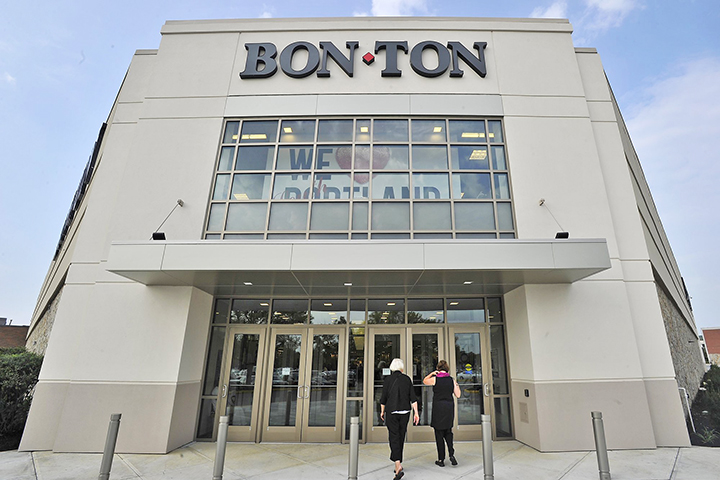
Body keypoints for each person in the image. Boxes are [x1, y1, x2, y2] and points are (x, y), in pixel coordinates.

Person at [380, 358, 419, 480]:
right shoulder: (407, 379)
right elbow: (413, 397)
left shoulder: (388, 380)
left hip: (391, 412)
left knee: (393, 436)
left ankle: (398, 465)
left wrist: (382, 411)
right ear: (402, 368)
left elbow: (383, 398)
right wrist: (416, 413)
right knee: (401, 436)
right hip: (405, 412)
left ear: (391, 368)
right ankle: (398, 462)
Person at [423, 360, 461, 467]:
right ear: (447, 369)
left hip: (438, 408)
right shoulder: (451, 380)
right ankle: (452, 454)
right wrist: (455, 384)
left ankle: (441, 459)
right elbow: (458, 395)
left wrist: (432, 373)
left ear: (438, 369)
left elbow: (425, 380)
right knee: (448, 432)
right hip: (449, 408)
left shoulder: (435, 379)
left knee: (439, 434)